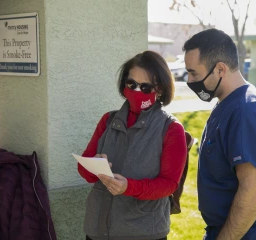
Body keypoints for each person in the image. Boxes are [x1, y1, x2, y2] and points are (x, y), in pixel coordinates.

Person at [183, 29, 256, 240]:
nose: (190, 80)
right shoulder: (227, 104)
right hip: (229, 230)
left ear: (220, 69)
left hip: (249, 232)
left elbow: (254, 188)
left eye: (194, 73)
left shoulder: (246, 110)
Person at [78, 51, 187, 240]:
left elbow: (168, 184)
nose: (137, 91)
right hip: (97, 231)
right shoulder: (108, 120)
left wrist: (128, 187)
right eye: (131, 84)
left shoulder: (171, 129)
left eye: (145, 87)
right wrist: (94, 165)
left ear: (159, 89)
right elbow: (84, 170)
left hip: (143, 233)